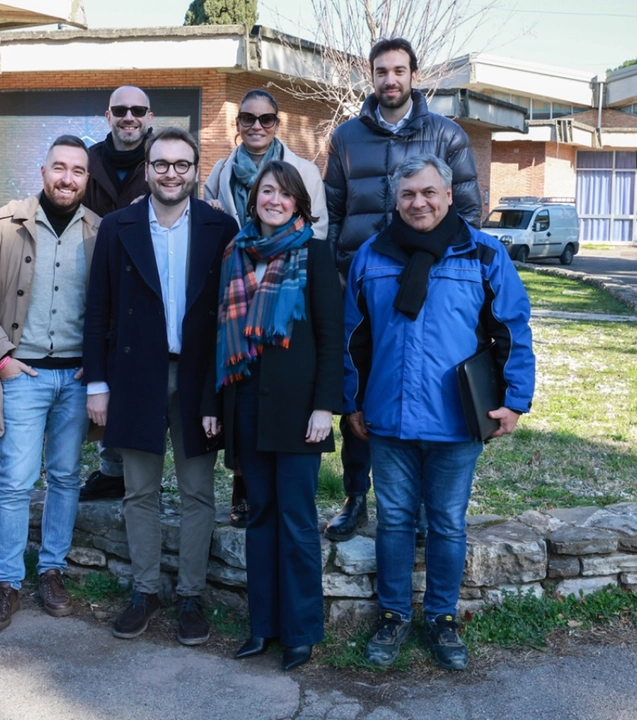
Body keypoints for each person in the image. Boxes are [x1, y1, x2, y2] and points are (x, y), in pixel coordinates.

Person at [342, 155, 534, 671]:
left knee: (448, 523)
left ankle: (442, 617)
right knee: (395, 521)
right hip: (388, 417)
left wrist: (515, 400)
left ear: (448, 195)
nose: (418, 203)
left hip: (456, 421)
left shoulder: (484, 254)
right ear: (396, 200)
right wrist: (352, 403)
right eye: (408, 195)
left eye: (428, 192)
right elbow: (351, 341)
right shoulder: (372, 256)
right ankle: (393, 615)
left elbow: (511, 330)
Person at [323, 37, 484, 542]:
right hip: (360, 285)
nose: (390, 80)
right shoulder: (346, 138)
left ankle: (413, 508)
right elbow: (332, 213)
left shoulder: (446, 134)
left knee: (416, 392)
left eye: (399, 70)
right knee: (358, 394)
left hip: (425, 291)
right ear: (370, 77)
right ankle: (355, 498)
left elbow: (469, 214)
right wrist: (336, 275)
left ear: (414, 74)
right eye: (380, 71)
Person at [83, 127, 238, 645]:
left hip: (198, 378)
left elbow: (229, 314)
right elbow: (98, 308)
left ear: (196, 170)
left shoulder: (221, 227)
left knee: (198, 492)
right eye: (162, 163)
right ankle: (145, 591)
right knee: (138, 491)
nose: (172, 172)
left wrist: (223, 387)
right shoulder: (116, 226)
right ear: (147, 169)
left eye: (182, 164)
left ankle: (192, 596)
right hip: (135, 375)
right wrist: (98, 383)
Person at [202, 160, 341, 671]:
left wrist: (326, 406)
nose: (274, 201)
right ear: (253, 199)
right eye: (266, 192)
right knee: (258, 518)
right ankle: (262, 627)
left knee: (298, 521)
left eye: (284, 194)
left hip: (300, 412)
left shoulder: (315, 254)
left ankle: (300, 632)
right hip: (245, 408)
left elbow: (331, 338)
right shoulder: (235, 254)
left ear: (298, 203)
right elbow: (219, 336)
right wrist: (214, 406)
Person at [0, 135, 100, 631]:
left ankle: (52, 571)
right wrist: (1, 360)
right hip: (21, 373)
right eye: (59, 168)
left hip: (78, 376)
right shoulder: (5, 226)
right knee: (16, 481)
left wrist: (99, 364)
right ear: (42, 171)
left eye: (78, 171)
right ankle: (5, 583)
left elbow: (106, 310)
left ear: (87, 178)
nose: (68, 178)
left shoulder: (99, 232)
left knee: (65, 477)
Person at [202, 89, 329, 529]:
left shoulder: (305, 175)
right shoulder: (220, 172)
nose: (256, 126)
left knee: (295, 516)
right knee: (259, 509)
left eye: (267, 118)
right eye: (247, 118)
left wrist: (325, 405)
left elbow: (318, 233)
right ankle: (244, 490)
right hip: (242, 290)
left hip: (288, 303)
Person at [80, 85, 156, 503]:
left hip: (143, 286)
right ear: (107, 115)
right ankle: (110, 469)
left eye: (137, 110)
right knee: (99, 377)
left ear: (149, 117)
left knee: (136, 381)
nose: (129, 117)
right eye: (120, 110)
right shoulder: (87, 163)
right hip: (90, 278)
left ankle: (138, 473)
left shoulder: (162, 162)